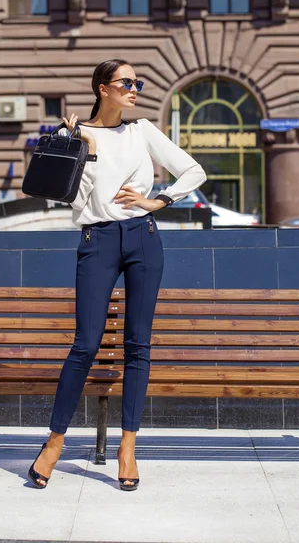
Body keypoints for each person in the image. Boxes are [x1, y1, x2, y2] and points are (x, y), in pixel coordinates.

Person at [28, 58, 206, 491]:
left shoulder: (142, 129)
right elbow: (72, 199)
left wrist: (158, 202)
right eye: (127, 82)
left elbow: (194, 170)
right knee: (85, 344)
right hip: (97, 239)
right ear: (102, 88)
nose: (134, 89)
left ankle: (128, 447)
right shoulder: (80, 133)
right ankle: (54, 442)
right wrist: (75, 146)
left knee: (137, 345)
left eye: (137, 82)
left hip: (143, 238)